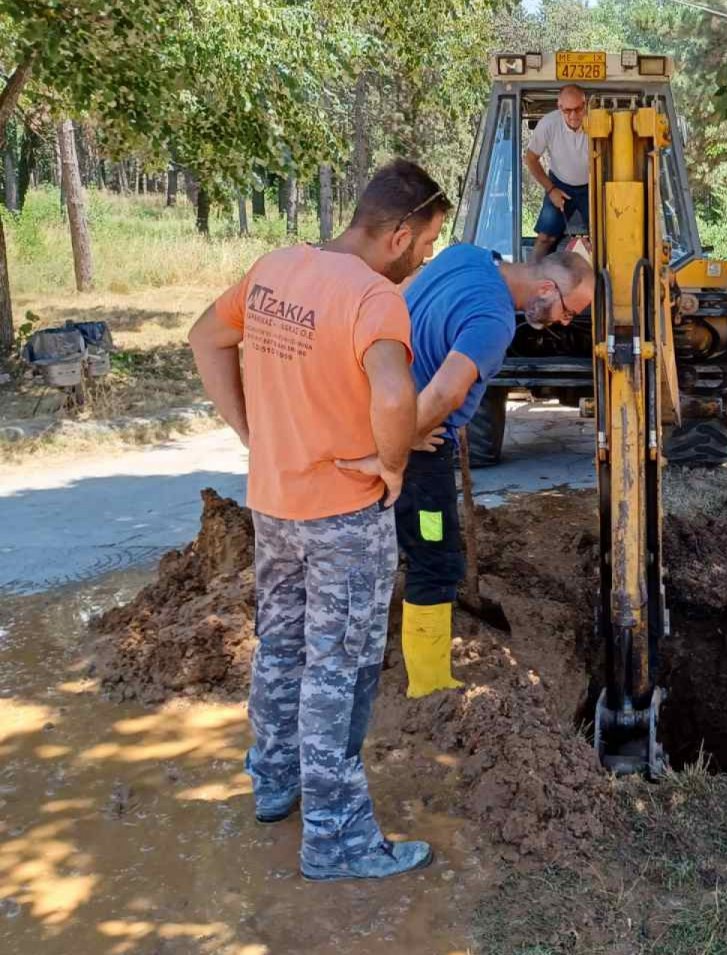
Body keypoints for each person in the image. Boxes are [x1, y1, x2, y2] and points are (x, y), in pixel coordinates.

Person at [188, 158, 452, 883]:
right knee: (340, 671)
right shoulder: (373, 299)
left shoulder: (275, 268)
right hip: (343, 517)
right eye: (427, 242)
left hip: (275, 504)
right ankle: (336, 838)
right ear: (398, 233)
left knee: (281, 649)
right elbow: (395, 396)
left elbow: (205, 337)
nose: (426, 256)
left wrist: (254, 435)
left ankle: (274, 781)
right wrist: (392, 465)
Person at [338, 245, 594, 696]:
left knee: (372, 546)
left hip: (371, 410)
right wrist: (398, 445)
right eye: (570, 310)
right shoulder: (493, 321)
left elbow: (400, 302)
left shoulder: (465, 255)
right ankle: (429, 687)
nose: (566, 321)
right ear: (547, 288)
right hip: (416, 452)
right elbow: (444, 396)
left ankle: (351, 660)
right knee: (435, 559)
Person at [524, 84, 589, 261]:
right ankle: (531, 278)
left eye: (578, 109)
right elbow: (530, 159)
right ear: (559, 107)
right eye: (568, 110)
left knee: (605, 238)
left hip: (592, 186)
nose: (574, 116)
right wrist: (551, 190)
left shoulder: (598, 122)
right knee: (546, 238)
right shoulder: (548, 124)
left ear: (585, 104)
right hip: (559, 184)